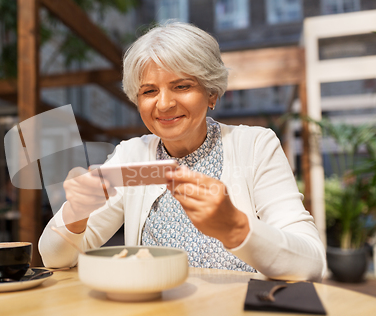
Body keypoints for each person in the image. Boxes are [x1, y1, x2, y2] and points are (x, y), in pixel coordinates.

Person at [39, 22, 327, 281]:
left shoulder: (255, 146)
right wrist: (76, 213)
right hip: (153, 314)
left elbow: (311, 263)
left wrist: (236, 228)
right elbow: (54, 259)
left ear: (212, 93)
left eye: (182, 86)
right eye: (149, 91)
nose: (164, 104)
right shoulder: (132, 155)